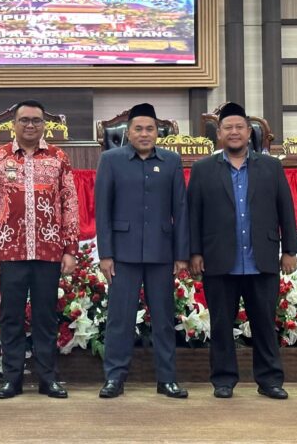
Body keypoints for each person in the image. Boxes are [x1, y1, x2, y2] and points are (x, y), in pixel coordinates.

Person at [188, 102, 297, 400]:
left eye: (239, 127)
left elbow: (285, 210)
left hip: (261, 259)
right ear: (219, 134)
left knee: (264, 323)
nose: (234, 132)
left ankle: (270, 380)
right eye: (228, 128)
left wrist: (289, 250)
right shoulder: (202, 170)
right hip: (218, 260)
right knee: (221, 324)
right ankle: (223, 380)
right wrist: (194, 252)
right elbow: (193, 215)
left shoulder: (271, 167)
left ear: (250, 132)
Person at [0, 100, 80, 399]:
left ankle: (48, 378)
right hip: (9, 250)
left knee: (45, 318)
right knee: (11, 317)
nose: (30, 125)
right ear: (14, 124)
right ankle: (12, 379)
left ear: (45, 125)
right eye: (24, 120)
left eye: (36, 120)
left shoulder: (59, 158)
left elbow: (70, 204)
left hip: (49, 250)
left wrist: (70, 249)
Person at [95, 103, 190, 400]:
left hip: (162, 253)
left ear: (158, 133)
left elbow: (180, 210)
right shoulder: (111, 160)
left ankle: (167, 379)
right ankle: (115, 377)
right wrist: (106, 254)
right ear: (128, 132)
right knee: (120, 319)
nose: (144, 134)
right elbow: (103, 210)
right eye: (138, 128)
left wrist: (181, 255)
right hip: (122, 254)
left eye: (150, 129)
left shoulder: (171, 161)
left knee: (163, 319)